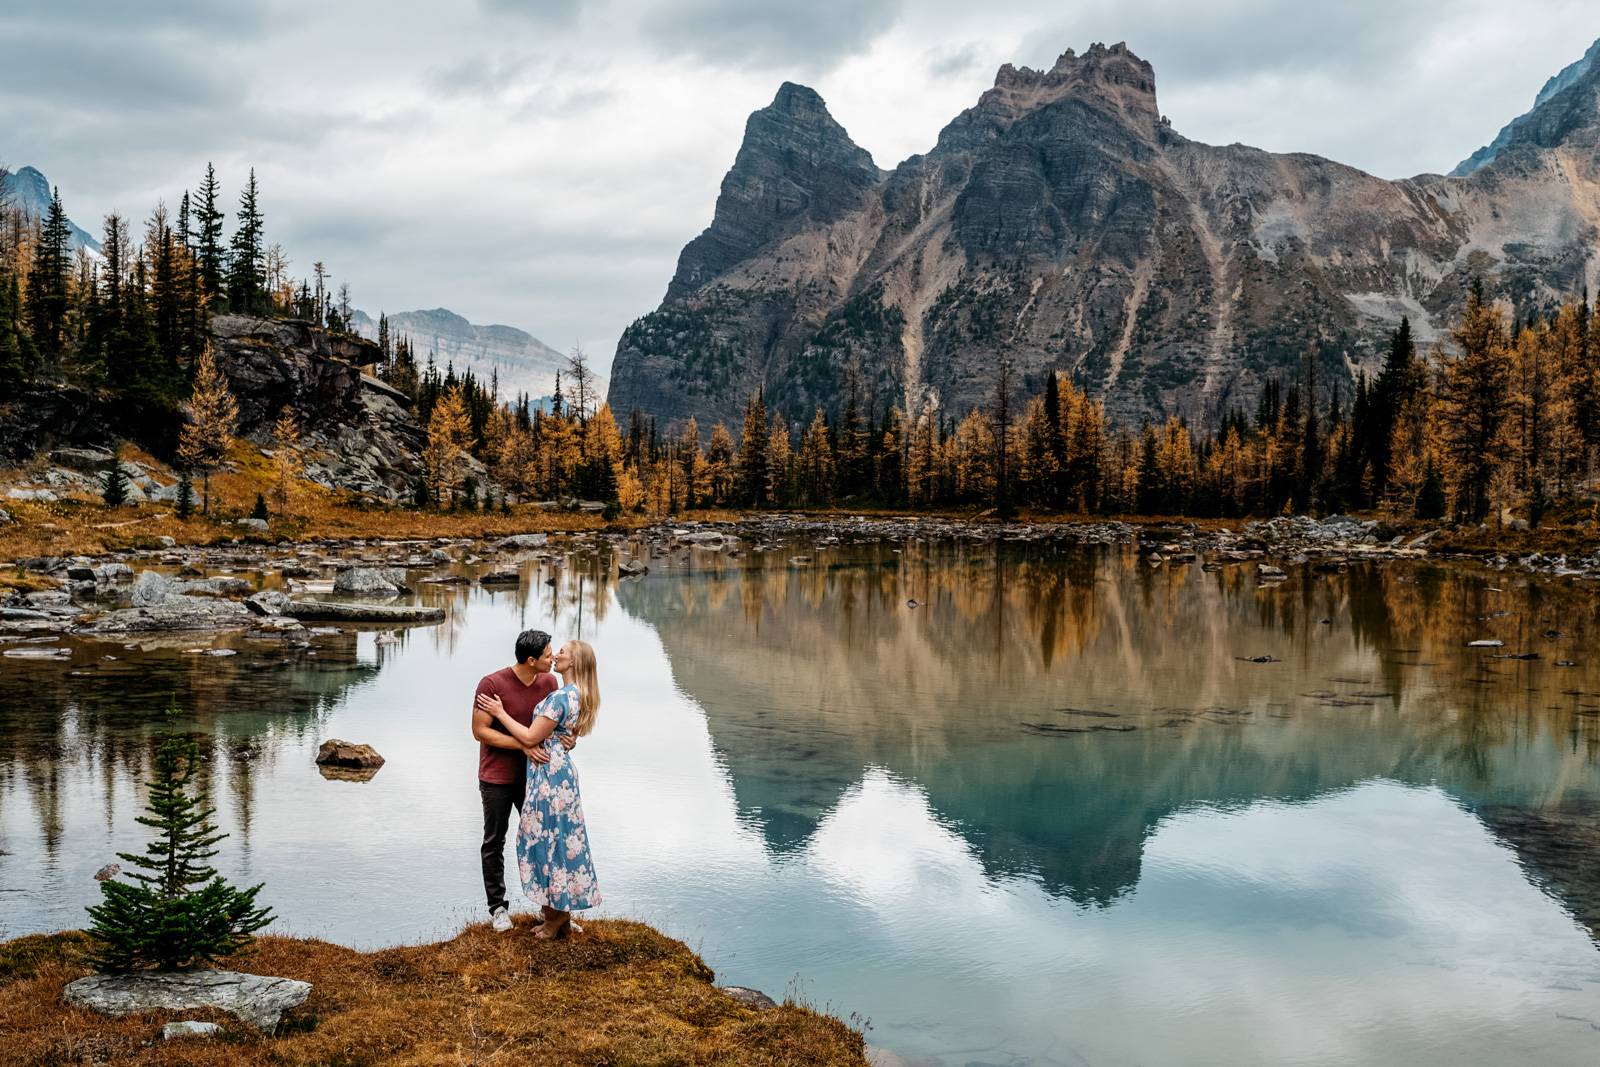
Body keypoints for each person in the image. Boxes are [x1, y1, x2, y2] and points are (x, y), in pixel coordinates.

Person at [476, 639, 602, 940]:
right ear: (531, 659)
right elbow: (563, 731)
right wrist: (562, 740)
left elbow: (534, 736)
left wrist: (501, 712)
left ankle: (556, 917)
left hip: (547, 777)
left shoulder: (558, 694)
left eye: (561, 653)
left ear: (574, 663)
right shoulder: (572, 693)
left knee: (546, 841)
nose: (555, 656)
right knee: (557, 839)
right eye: (550, 653)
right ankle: (542, 911)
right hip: (546, 774)